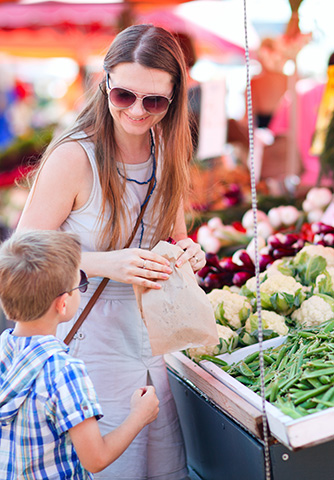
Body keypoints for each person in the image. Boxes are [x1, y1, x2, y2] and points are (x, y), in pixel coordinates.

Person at [17, 24, 206, 480]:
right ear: (104, 84)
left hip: (156, 343)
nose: (138, 111)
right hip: (88, 344)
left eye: (154, 101)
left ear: (174, 99)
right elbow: (20, 252)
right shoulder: (74, 157)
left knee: (164, 469)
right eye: (124, 95)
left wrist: (189, 253)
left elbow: (175, 237)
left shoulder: (167, 151)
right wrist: (105, 263)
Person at [0, 229, 159, 479]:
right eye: (80, 284)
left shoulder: (3, 352)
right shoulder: (65, 371)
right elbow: (96, 459)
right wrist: (139, 416)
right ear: (63, 303)